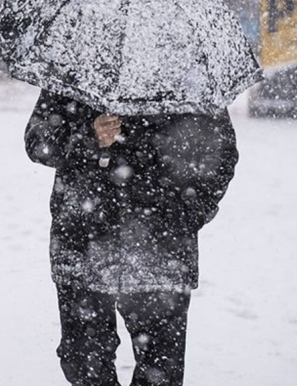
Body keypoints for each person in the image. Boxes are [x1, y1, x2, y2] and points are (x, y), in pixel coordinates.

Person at [25, 90, 239, 386]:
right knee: (83, 361)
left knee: (161, 371)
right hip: (84, 242)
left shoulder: (186, 73)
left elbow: (221, 153)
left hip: (161, 248)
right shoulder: (80, 65)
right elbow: (38, 142)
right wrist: (89, 135)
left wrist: (186, 215)